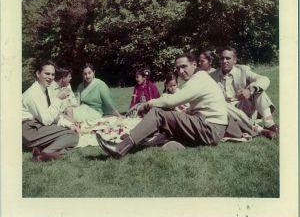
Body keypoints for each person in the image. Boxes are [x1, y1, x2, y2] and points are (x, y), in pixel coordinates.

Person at [96, 53, 228, 158]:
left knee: (158, 113)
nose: (181, 71)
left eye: (184, 66)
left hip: (210, 129)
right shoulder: (199, 78)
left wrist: (149, 103)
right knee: (168, 120)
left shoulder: (199, 79)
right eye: (177, 68)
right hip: (209, 126)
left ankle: (120, 148)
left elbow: (172, 101)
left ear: (194, 65)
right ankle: (139, 141)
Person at [210, 47, 278, 137]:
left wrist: (250, 90)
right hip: (227, 112)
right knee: (222, 105)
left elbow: (264, 79)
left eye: (228, 58)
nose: (224, 61)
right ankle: (261, 130)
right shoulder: (212, 76)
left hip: (244, 107)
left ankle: (269, 124)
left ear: (235, 60)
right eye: (222, 58)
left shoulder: (243, 70)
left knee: (258, 89)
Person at [22, 61, 79, 162]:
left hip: (38, 126)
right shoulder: (33, 94)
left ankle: (41, 149)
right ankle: (43, 155)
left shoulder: (44, 90)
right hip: (29, 129)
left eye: (53, 74)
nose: (50, 77)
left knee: (71, 133)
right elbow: (47, 120)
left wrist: (69, 125)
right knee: (72, 136)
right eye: (47, 73)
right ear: (38, 74)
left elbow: (53, 114)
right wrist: (58, 99)